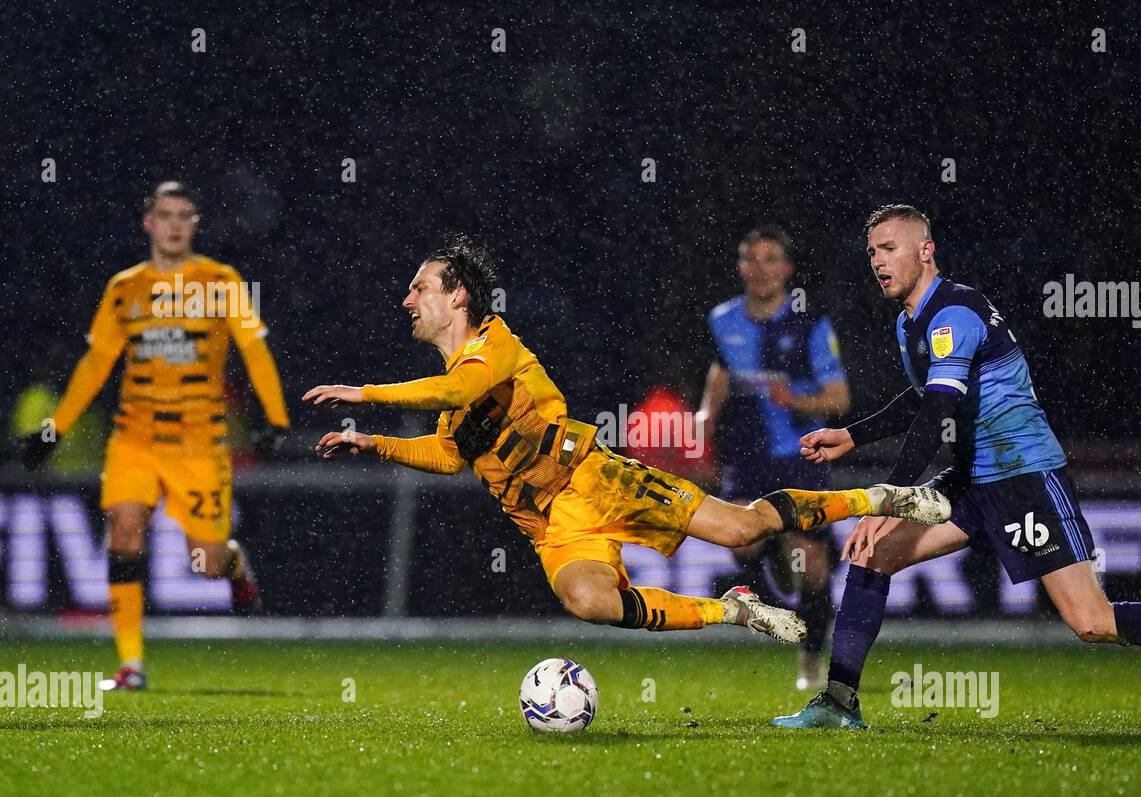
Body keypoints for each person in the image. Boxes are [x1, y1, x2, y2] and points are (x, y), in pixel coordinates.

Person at [774, 204, 1141, 733]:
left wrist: (889, 497)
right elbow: (923, 399)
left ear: (926, 251)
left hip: (1023, 476)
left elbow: (939, 411)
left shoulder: (955, 314)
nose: (878, 260)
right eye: (872, 251)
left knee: (1092, 622)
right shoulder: (911, 322)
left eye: (890, 248)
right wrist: (853, 434)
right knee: (872, 554)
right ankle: (839, 701)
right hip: (972, 478)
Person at [304, 234, 949, 641]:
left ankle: (881, 497)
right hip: (551, 525)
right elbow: (448, 451)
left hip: (596, 480)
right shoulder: (457, 381)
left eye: (419, 287)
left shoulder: (494, 346)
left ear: (459, 295)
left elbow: (449, 394)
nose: (407, 298)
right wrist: (375, 444)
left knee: (743, 530)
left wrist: (363, 395)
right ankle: (736, 611)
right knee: (591, 602)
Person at [19, 181, 291, 691]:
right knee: (123, 532)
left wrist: (275, 419)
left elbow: (254, 351)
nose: (173, 225)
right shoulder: (126, 287)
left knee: (207, 563)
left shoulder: (221, 281)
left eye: (184, 215)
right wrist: (55, 426)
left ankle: (234, 564)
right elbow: (97, 361)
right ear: (148, 223)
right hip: (135, 439)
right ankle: (130, 665)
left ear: (195, 224)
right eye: (164, 215)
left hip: (199, 443)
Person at [698, 226, 850, 688]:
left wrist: (796, 402)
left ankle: (810, 658)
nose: (760, 269)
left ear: (787, 269)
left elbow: (840, 400)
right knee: (739, 542)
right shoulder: (722, 319)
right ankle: (776, 561)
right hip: (747, 455)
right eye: (751, 259)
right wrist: (705, 418)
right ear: (740, 267)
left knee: (813, 567)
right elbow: (721, 370)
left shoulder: (811, 324)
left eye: (771, 259)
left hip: (801, 458)